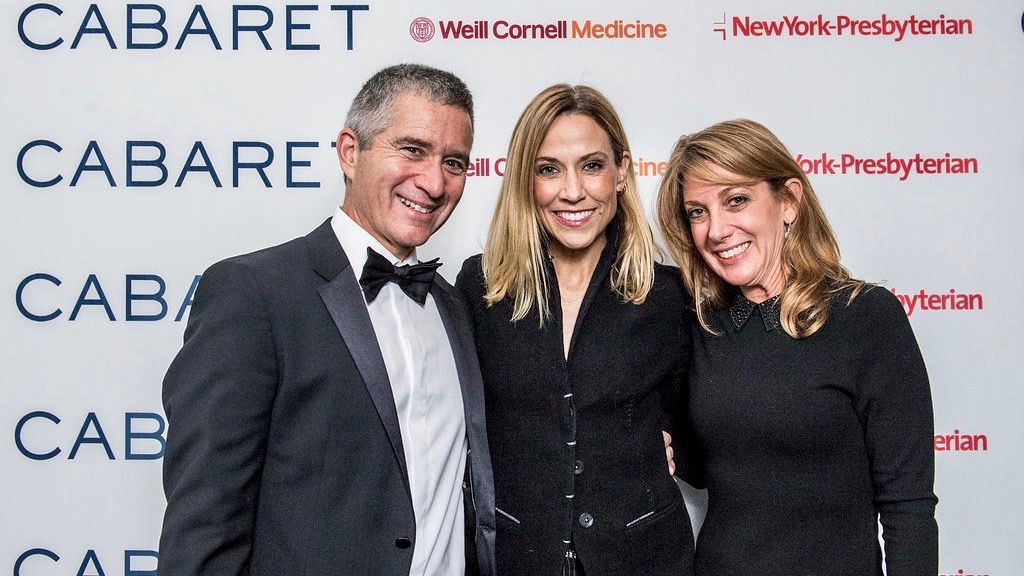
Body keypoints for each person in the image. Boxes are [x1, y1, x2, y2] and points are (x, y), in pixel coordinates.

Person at [158, 64, 495, 576]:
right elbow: (205, 521)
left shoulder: (455, 307)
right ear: (350, 152)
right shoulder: (254, 294)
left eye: (454, 162)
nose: (433, 181)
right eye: (412, 150)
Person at [656, 118, 938, 575]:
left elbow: (909, 503)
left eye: (737, 200)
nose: (717, 229)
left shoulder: (865, 316)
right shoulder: (701, 326)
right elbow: (712, 465)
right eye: (698, 212)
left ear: (788, 201)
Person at [456, 84, 695, 576]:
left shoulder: (671, 295)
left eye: (592, 165)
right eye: (549, 169)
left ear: (622, 172)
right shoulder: (479, 287)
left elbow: (710, 426)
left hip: (644, 560)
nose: (572, 191)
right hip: (512, 559)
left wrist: (664, 448)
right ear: (525, 180)